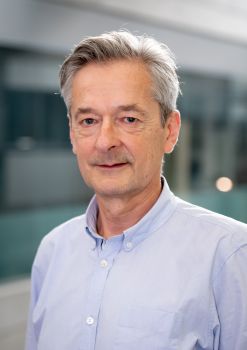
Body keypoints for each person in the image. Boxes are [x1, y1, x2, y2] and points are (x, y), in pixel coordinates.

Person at [25, 31, 247, 350]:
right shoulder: (53, 252)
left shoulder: (231, 256)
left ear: (170, 131)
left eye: (128, 119)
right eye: (88, 120)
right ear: (72, 134)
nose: (105, 141)